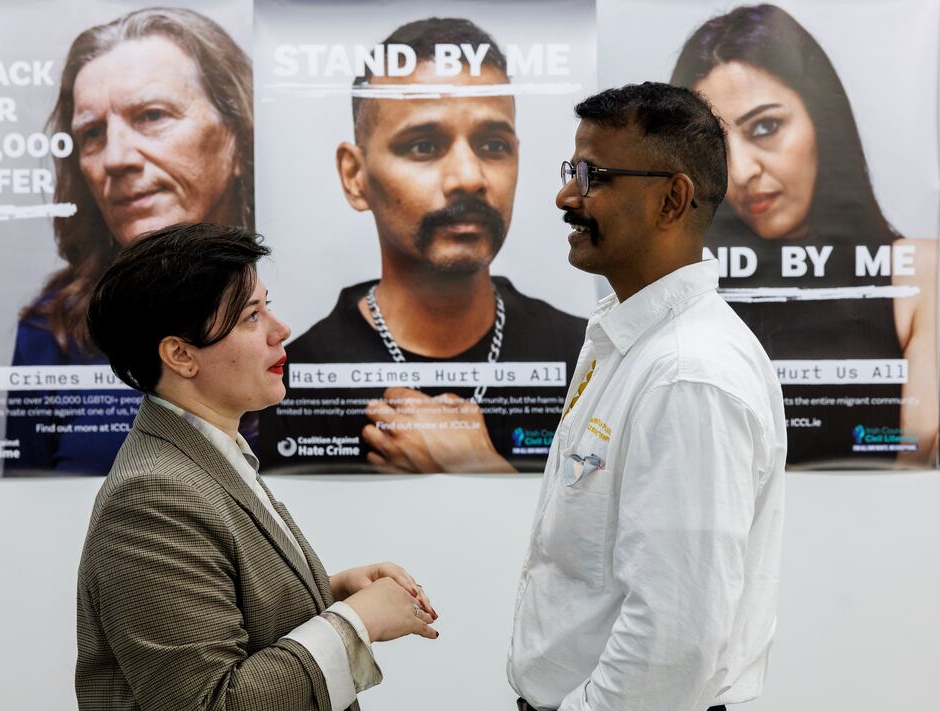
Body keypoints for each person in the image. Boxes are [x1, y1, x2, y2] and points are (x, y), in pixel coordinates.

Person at [77, 223, 438, 711]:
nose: (279, 329)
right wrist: (357, 621)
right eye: (251, 316)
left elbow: (221, 614)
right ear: (181, 354)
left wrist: (328, 591)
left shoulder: (205, 452)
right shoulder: (151, 497)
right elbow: (211, 703)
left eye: (267, 305)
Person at [508, 83, 786, 711]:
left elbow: (675, 636)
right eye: (571, 170)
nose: (566, 196)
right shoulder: (631, 338)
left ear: (672, 200)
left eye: (593, 176)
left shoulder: (689, 373)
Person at [257, 17, 586, 474]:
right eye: (424, 146)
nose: (469, 178)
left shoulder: (587, 359)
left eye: (493, 145)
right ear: (355, 177)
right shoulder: (288, 381)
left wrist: (480, 468)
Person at [670, 3, 937, 467]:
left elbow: (912, 465)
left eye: (766, 127)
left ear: (822, 120)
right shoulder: (688, 289)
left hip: (877, 532)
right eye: (714, 148)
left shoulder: (916, 274)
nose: (742, 172)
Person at [5, 7, 254, 475]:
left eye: (152, 115)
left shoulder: (303, 326)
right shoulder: (51, 330)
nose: (115, 158)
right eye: (92, 134)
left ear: (236, 139)